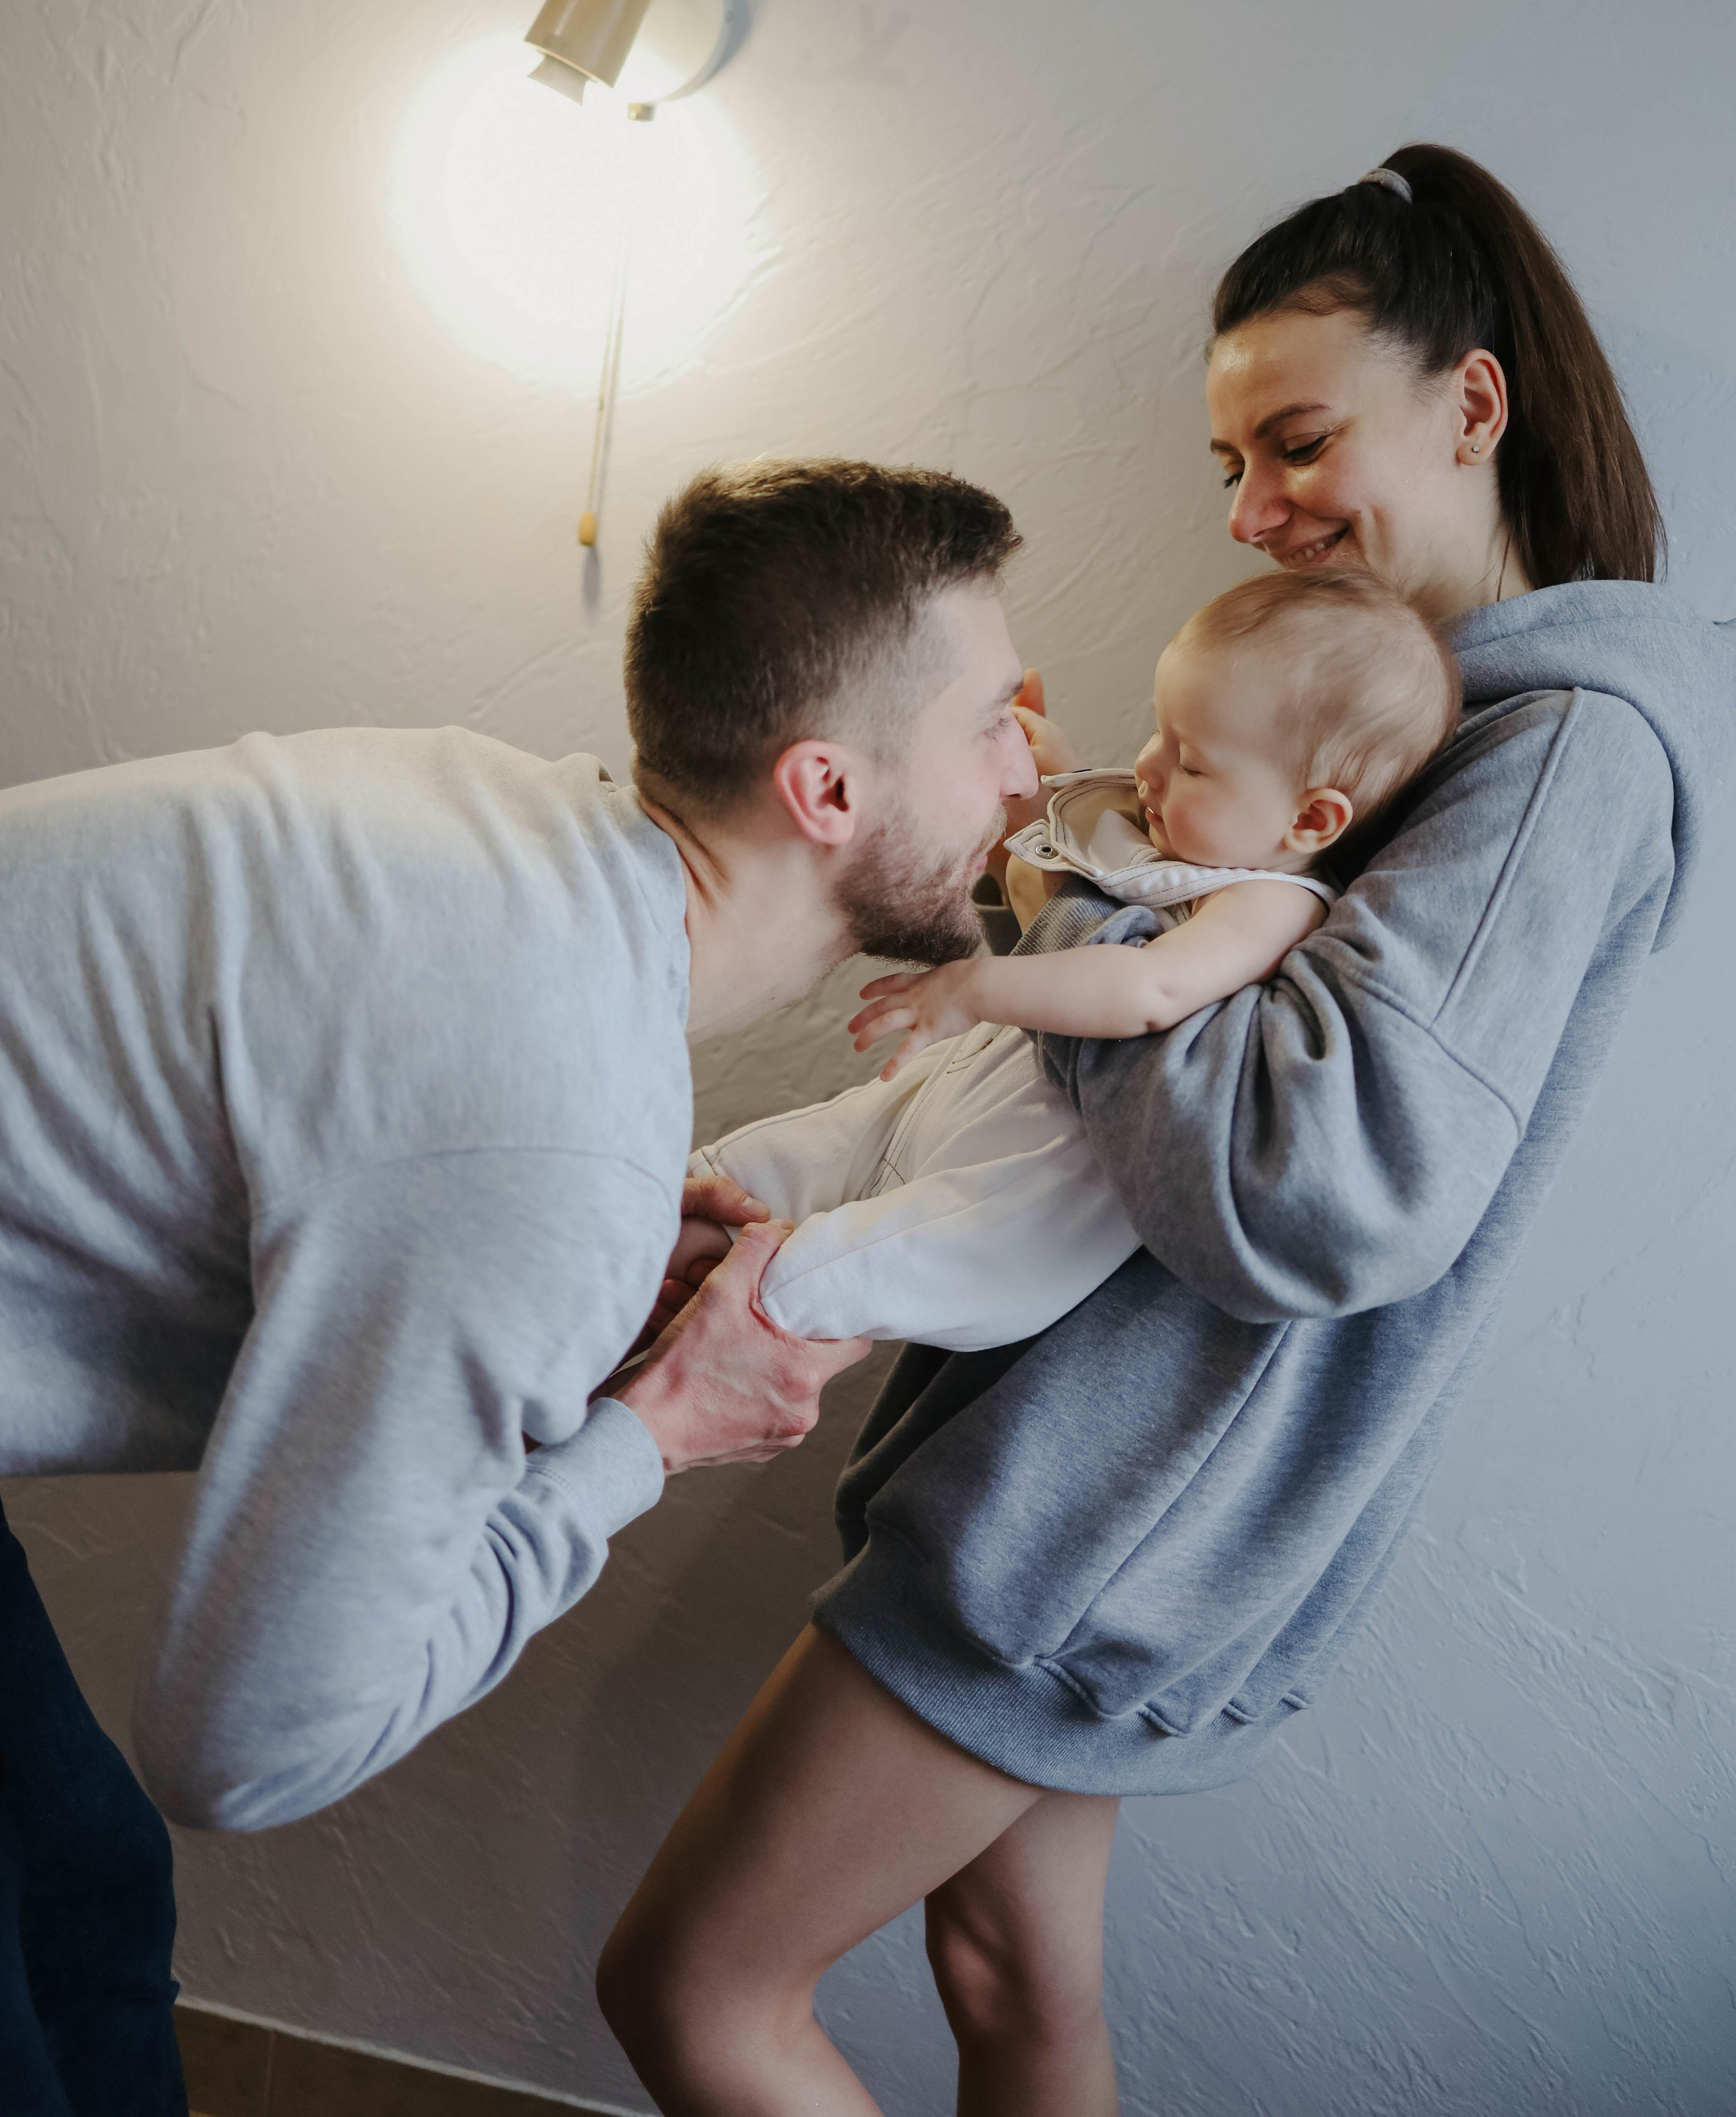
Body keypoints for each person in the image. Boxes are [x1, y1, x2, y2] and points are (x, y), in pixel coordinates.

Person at [597, 148, 1736, 2117]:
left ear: (1475, 404)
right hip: (1097, 1494)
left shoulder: (1566, 758)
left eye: (1297, 441)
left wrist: (1077, 931)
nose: (1255, 511)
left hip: (1098, 1523)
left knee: (693, 1993)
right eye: (1234, 464)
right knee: (1009, 1985)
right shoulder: (1409, 727)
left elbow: (1329, 1190)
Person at [0, 457, 1040, 2117]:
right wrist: (652, 1434)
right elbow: (248, 1747)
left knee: (79, 1902)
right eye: (992, 715)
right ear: (825, 788)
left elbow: (385, 1162)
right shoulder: (546, 1124)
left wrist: (591, 1282)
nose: (1030, 761)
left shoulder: (518, 845)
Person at [688, 571, 1458, 1352]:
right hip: (963, 1091)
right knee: (789, 1154)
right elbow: (1079, 850)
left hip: (1040, 1177)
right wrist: (1046, 788)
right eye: (1161, 731)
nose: (1151, 765)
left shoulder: (1272, 902)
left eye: (1191, 761)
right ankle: (680, 1227)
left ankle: (743, 1314)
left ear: (1309, 817)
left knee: (862, 1262)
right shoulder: (1170, 829)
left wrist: (977, 986)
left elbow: (1148, 987)